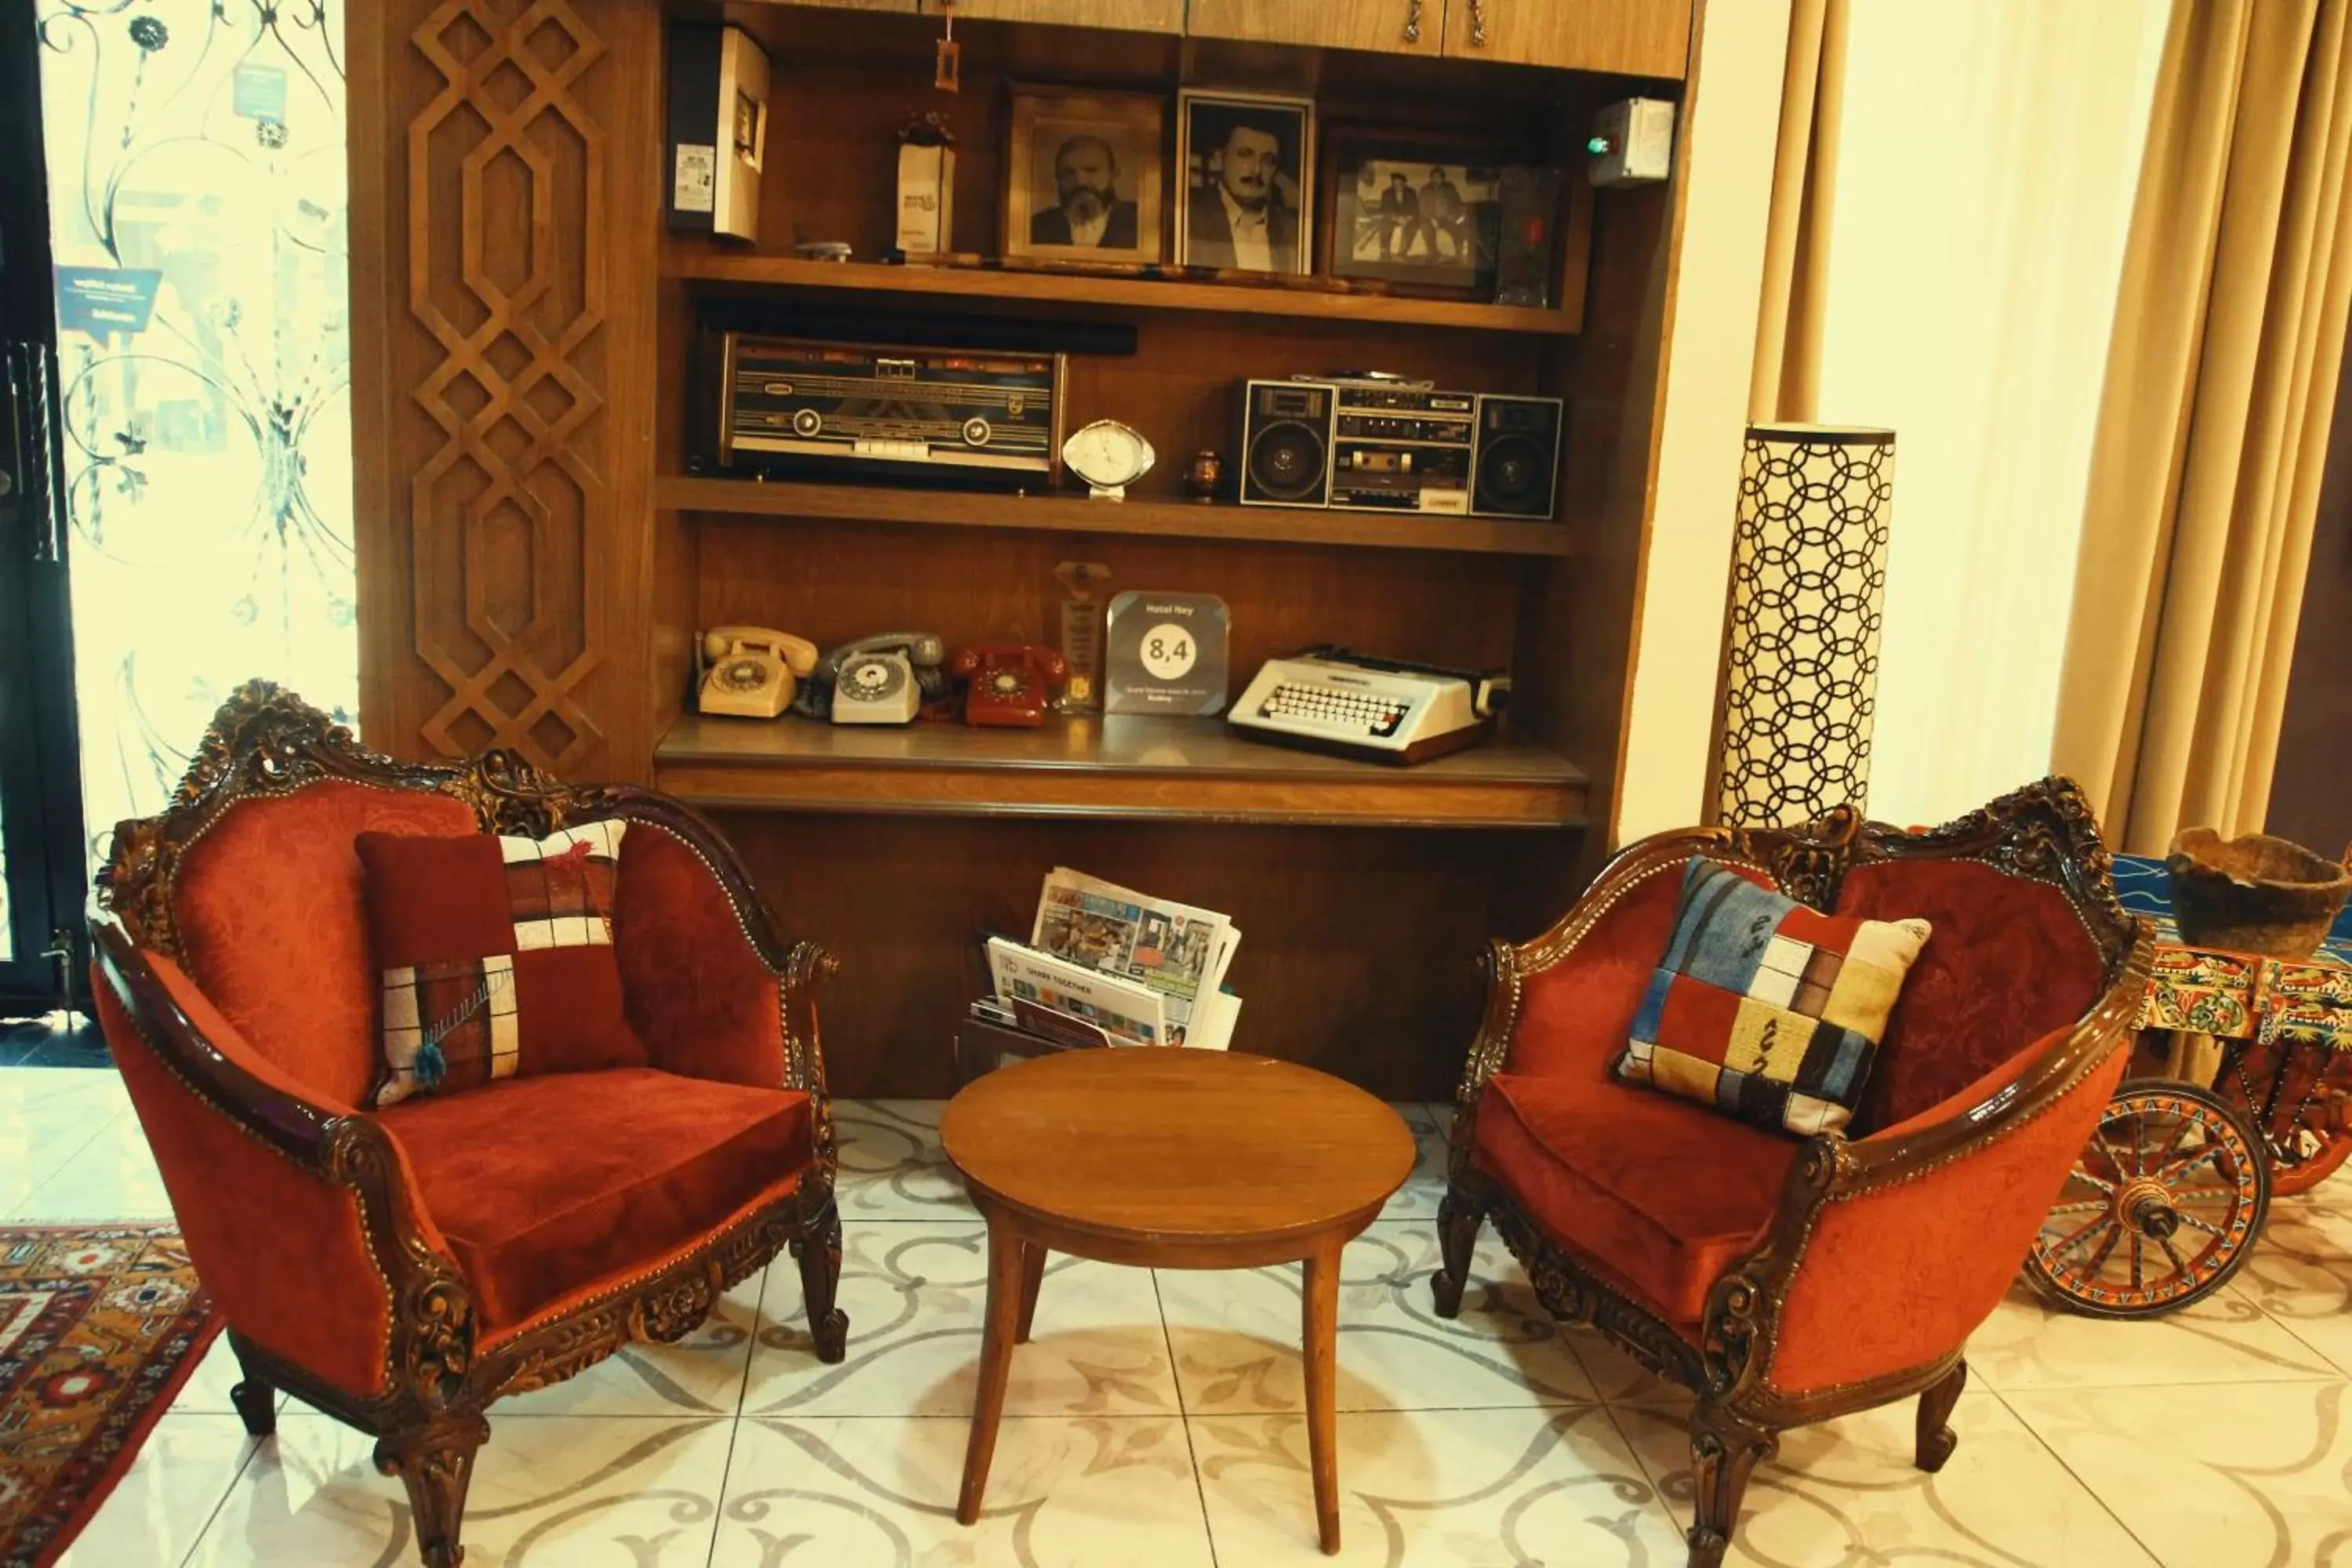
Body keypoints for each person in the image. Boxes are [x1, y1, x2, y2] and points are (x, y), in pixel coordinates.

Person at [1186, 113, 1298, 271]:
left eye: (1268, 160)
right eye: (1245, 154)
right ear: (1220, 158)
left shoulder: (1292, 231)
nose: (1257, 170)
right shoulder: (1188, 217)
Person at [1029, 134, 1140, 249]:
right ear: (1058, 178)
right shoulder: (1037, 227)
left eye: (1091, 170)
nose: (1080, 181)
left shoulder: (1139, 222)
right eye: (1069, 173)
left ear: (1113, 174)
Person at [1421, 165, 1466, 260]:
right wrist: (1432, 219)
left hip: (1447, 217)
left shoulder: (1450, 188)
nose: (1436, 179)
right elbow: (1423, 208)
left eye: (1438, 177)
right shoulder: (1426, 189)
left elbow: (1458, 203)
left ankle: (1459, 252)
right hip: (1431, 218)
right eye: (1433, 177)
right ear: (1431, 178)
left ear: (1443, 178)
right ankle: (1432, 254)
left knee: (1459, 228)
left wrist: (1458, 216)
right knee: (1426, 229)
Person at [1376, 171, 1419, 260]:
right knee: (1385, 225)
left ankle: (1403, 252)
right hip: (1393, 218)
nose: (1397, 186)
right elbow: (1384, 210)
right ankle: (1385, 251)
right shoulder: (1387, 193)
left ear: (1404, 184)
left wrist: (1408, 218)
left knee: (1412, 227)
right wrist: (1396, 218)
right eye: (1395, 183)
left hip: (1407, 218)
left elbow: (1415, 209)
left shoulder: (1411, 193)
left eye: (1400, 183)